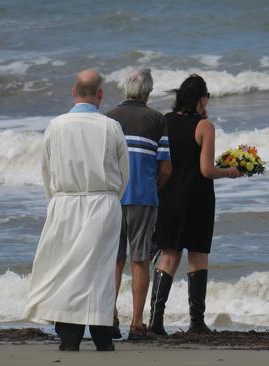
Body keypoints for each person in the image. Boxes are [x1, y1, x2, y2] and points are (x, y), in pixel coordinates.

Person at [23, 70, 129, 351]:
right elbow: (124, 172)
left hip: (64, 201)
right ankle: (101, 334)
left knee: (65, 267)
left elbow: (46, 170)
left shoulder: (55, 125)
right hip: (102, 202)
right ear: (100, 94)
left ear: (74, 92)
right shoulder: (110, 126)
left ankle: (69, 334)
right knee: (100, 271)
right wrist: (111, 199)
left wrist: (57, 200)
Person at [149, 74, 240, 336]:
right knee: (198, 255)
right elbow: (207, 170)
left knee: (168, 255)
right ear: (201, 98)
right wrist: (231, 172)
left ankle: (156, 322)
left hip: (167, 195)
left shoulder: (164, 121)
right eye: (206, 96)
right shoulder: (204, 126)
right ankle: (196, 322)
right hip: (197, 197)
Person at [106, 69, 171, 340]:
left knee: (114, 261)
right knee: (140, 260)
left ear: (125, 90)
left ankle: (108, 318)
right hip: (142, 197)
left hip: (111, 198)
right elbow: (166, 168)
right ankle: (136, 324)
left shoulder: (108, 118)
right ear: (147, 92)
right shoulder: (156, 119)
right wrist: (152, 189)